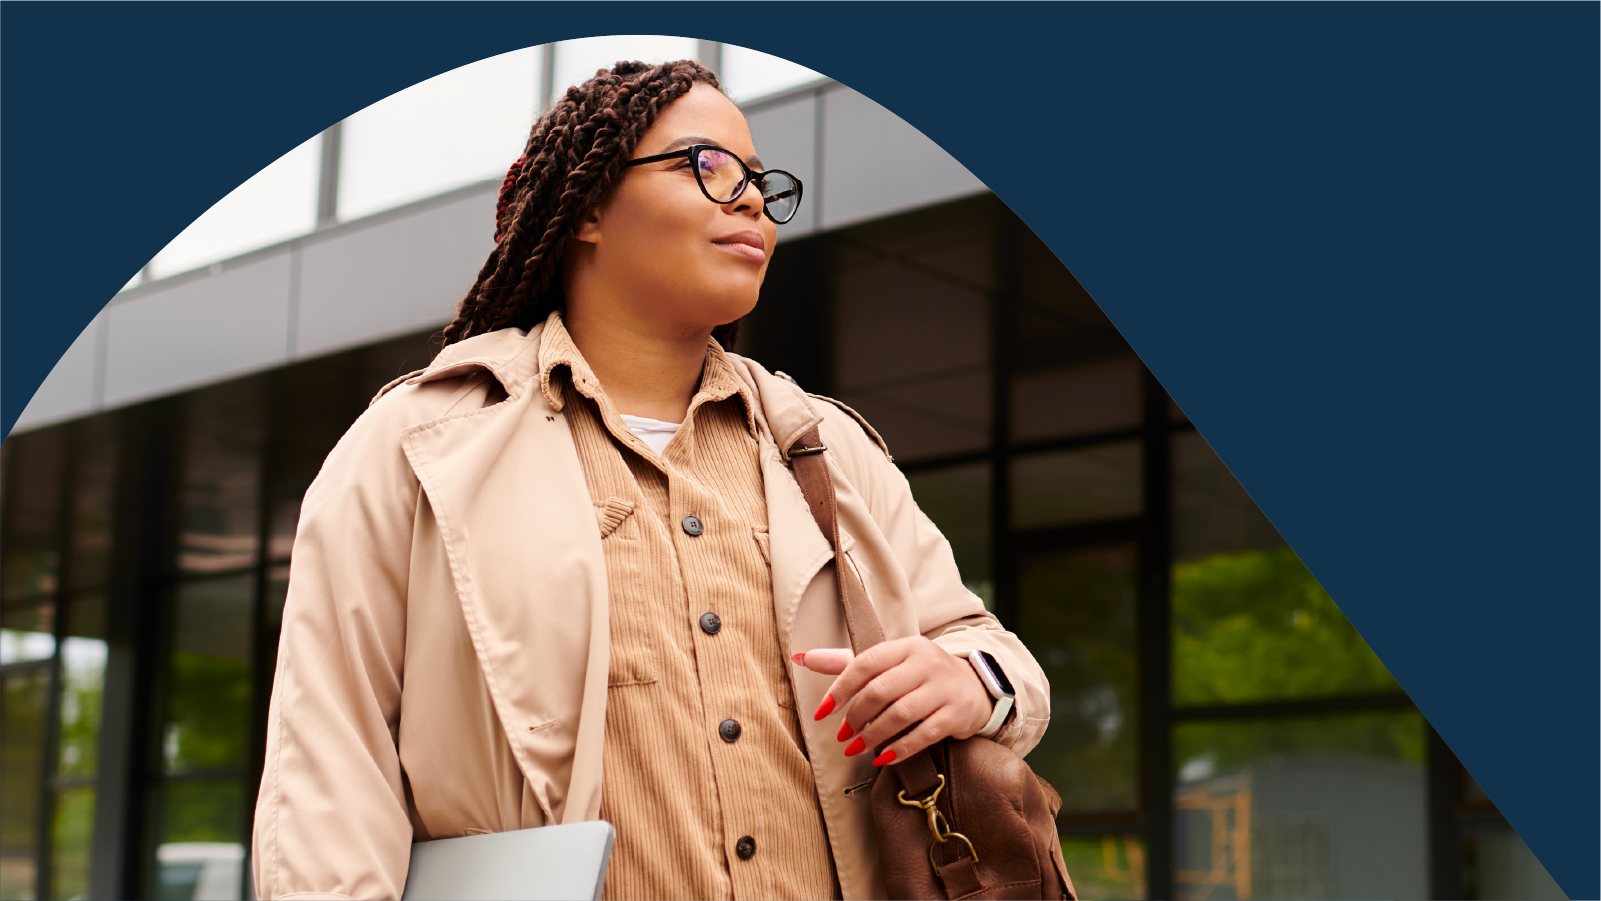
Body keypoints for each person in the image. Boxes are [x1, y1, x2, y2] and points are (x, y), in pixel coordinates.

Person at [251, 59, 1050, 900]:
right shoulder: (415, 447)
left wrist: (970, 680)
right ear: (589, 205)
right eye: (705, 166)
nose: (749, 200)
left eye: (759, 183)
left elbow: (991, 650)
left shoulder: (826, 447)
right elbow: (327, 781)